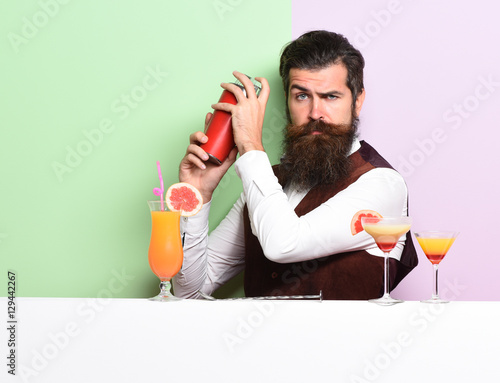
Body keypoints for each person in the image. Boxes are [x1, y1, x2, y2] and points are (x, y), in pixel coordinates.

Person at [173, 30, 418, 300]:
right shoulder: (266, 183)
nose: (315, 113)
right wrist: (198, 194)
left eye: (330, 97)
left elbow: (282, 244)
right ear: (288, 101)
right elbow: (189, 291)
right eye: (302, 96)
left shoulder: (381, 184)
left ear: (357, 101)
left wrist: (251, 147)